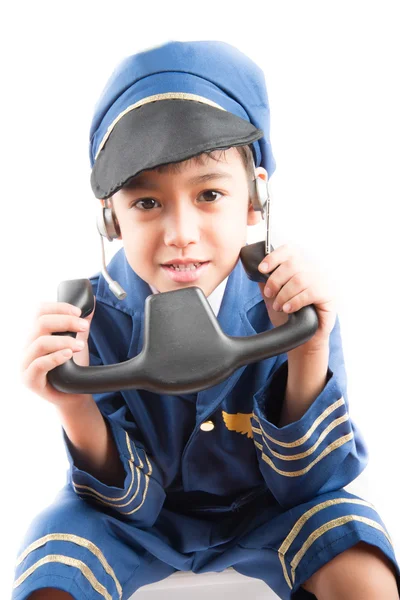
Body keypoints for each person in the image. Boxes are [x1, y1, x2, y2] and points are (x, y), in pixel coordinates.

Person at [13, 40, 399, 600]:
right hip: (135, 523)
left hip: (268, 508)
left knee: (357, 553)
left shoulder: (291, 302)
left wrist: (307, 348)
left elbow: (310, 485)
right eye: (147, 203)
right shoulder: (90, 319)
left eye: (210, 194)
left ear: (253, 201)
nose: (180, 233)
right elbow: (131, 505)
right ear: (111, 219)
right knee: (54, 559)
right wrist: (74, 402)